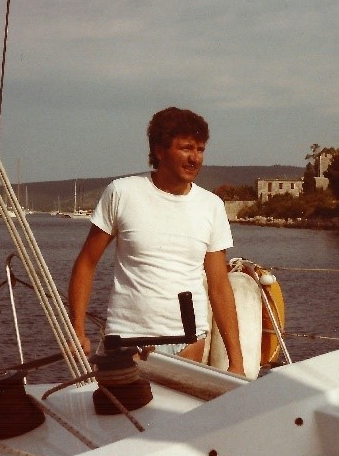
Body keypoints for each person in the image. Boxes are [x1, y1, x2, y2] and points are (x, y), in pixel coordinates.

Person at [69, 107, 244, 375]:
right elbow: (86, 263)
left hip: (188, 342)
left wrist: (236, 363)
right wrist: (77, 330)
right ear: (159, 151)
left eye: (200, 149)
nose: (195, 158)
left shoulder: (212, 206)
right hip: (127, 342)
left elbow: (219, 285)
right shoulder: (122, 193)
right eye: (186, 148)